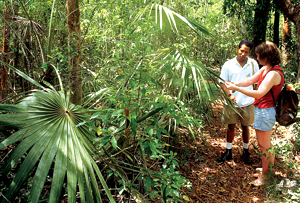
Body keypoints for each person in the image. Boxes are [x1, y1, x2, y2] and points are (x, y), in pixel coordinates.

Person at [225, 41, 284, 186]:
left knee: (264, 146)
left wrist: (236, 89)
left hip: (265, 112)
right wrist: (236, 84)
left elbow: (258, 93)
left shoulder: (274, 74)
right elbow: (251, 80)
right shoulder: (266, 69)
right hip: (261, 110)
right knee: (265, 145)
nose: (256, 58)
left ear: (267, 56)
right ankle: (266, 170)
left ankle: (266, 176)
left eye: (259, 56)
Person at [217, 40, 259, 165]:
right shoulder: (228, 64)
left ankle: (246, 152)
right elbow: (222, 83)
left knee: (246, 127)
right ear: (237, 49)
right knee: (231, 126)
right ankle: (228, 152)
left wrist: (256, 95)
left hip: (248, 101)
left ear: (249, 52)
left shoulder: (253, 64)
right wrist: (229, 95)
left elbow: (256, 81)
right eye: (241, 51)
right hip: (231, 102)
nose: (243, 54)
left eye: (246, 52)